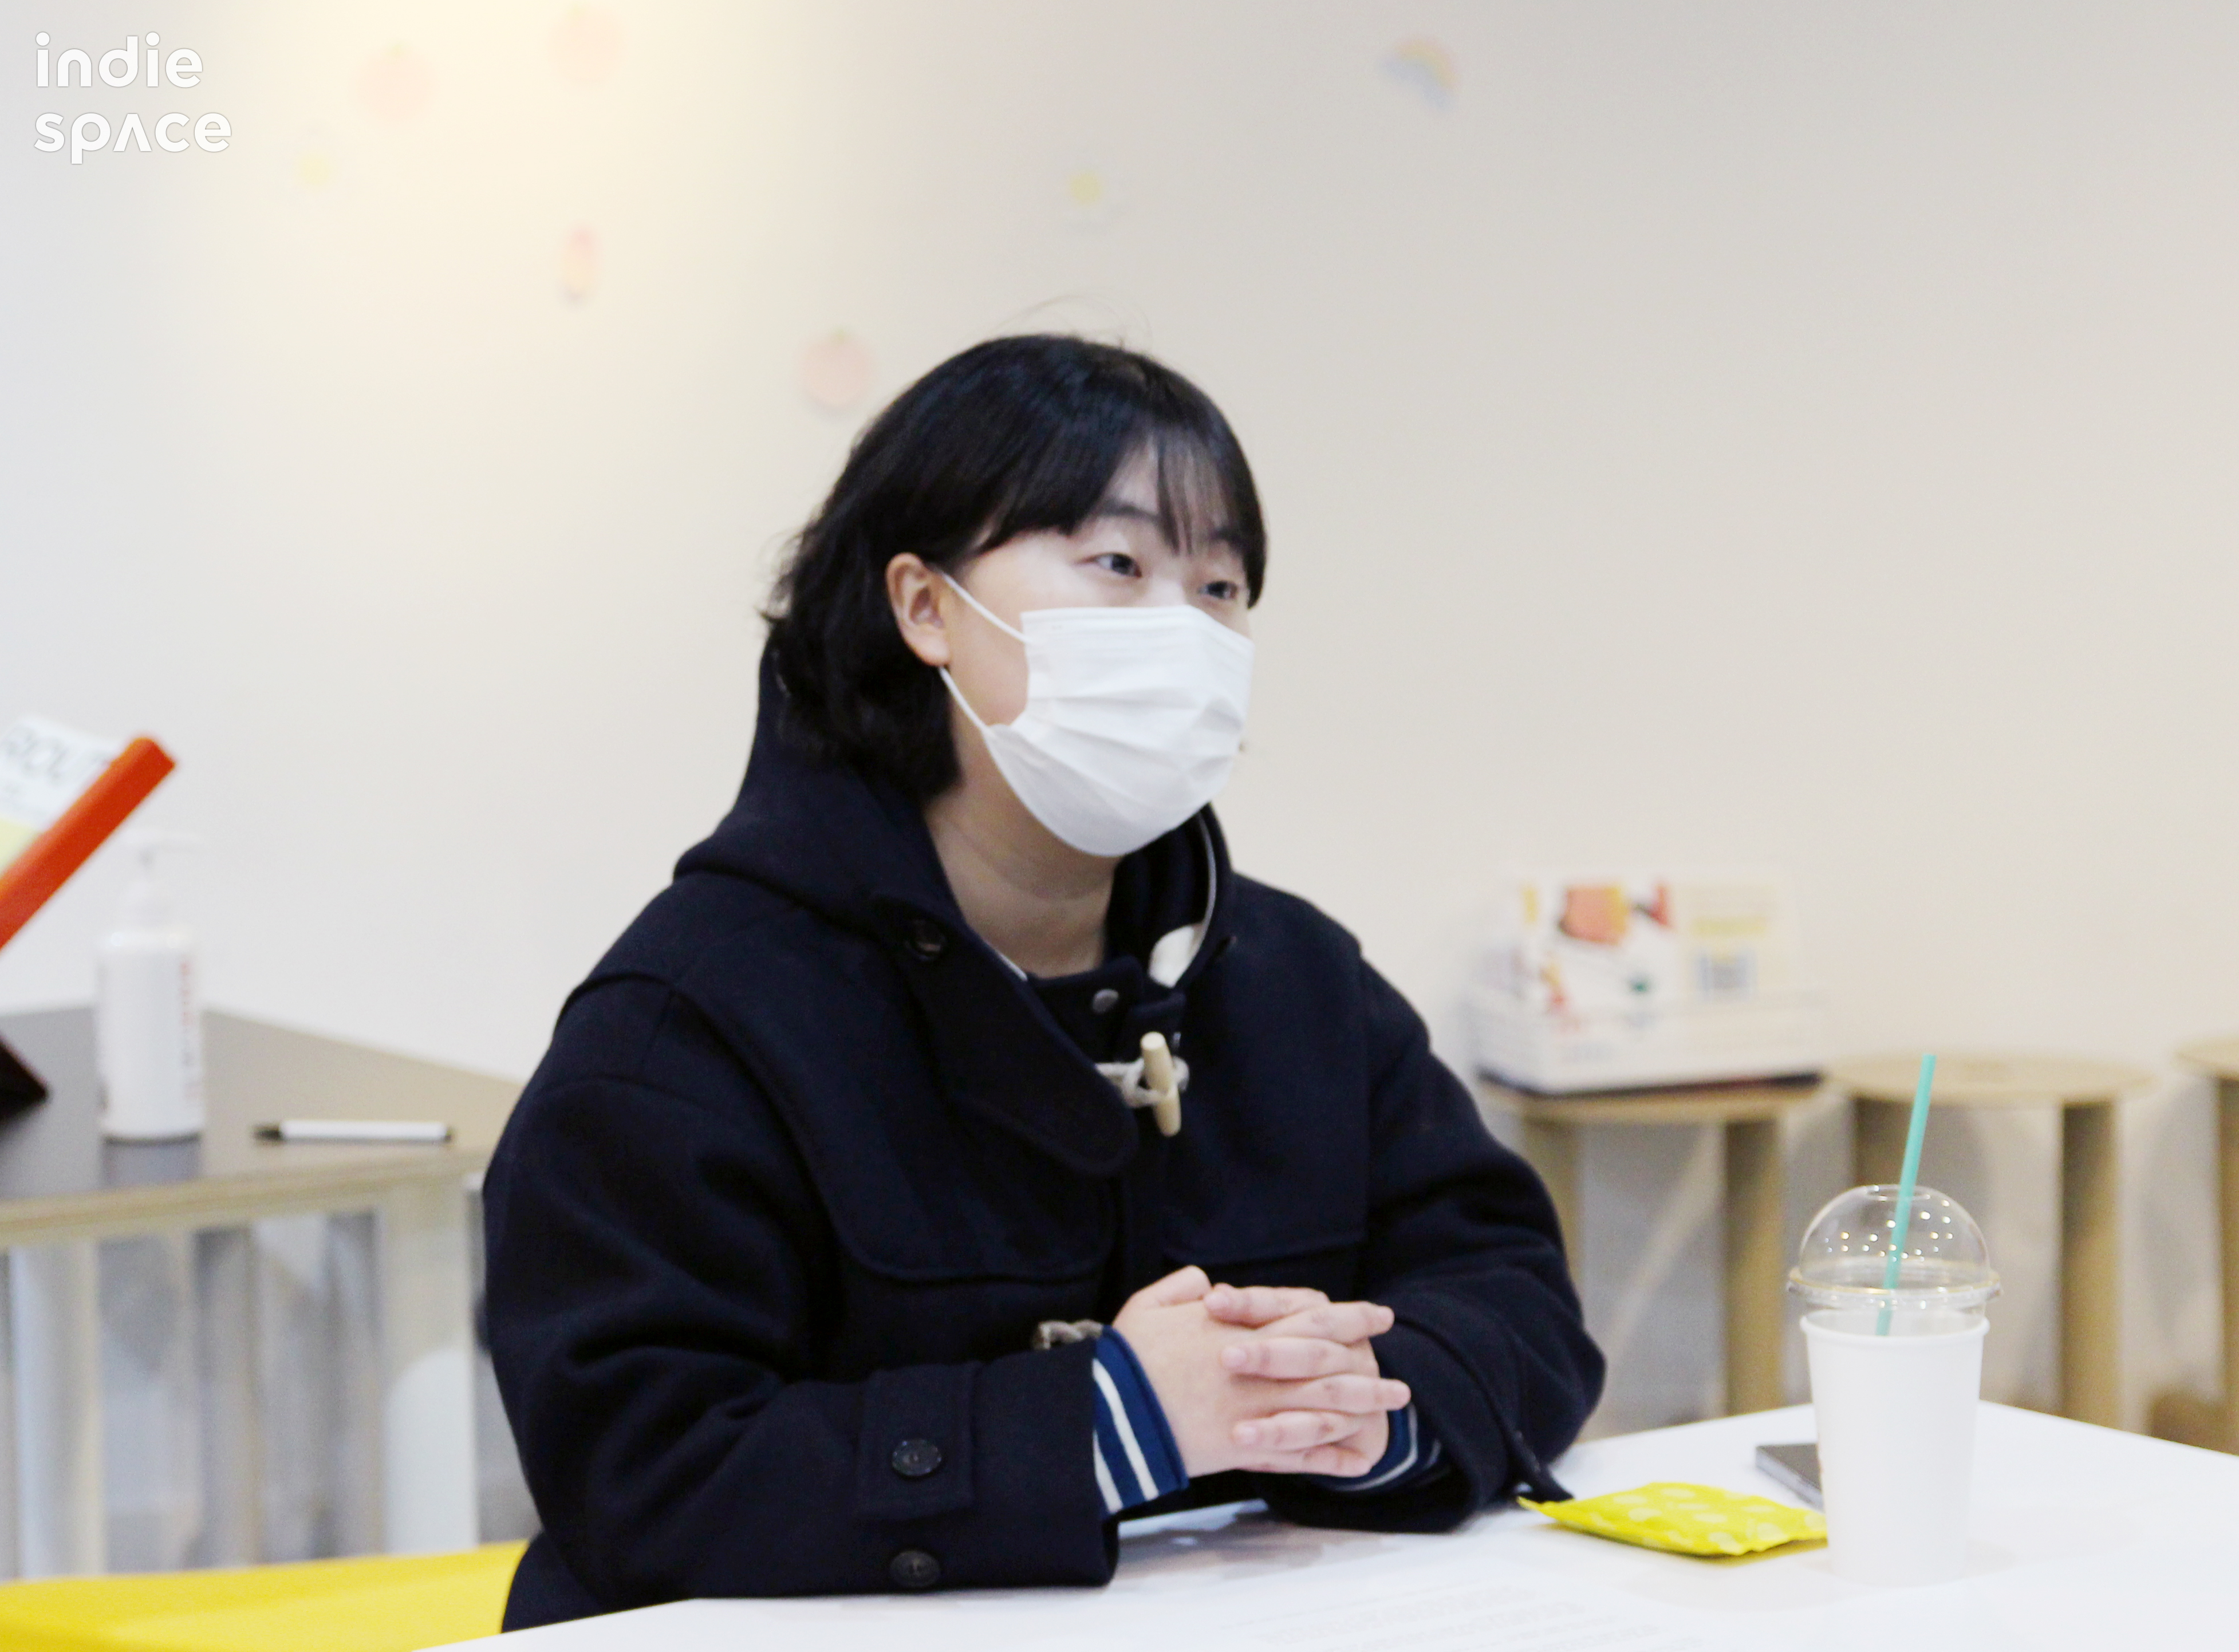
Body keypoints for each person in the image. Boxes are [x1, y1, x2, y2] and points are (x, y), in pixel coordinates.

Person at [482, 336, 1602, 1628]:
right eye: (1119, 564)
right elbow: (642, 1467)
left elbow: (1517, 1298)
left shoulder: (1298, 978)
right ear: (925, 607)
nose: (1182, 628)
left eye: (1221, 586)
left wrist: (1370, 1406)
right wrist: (1105, 1424)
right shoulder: (692, 1016)